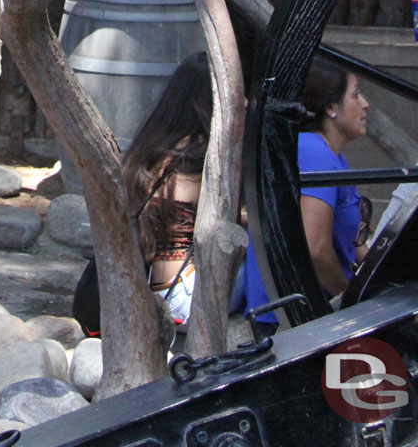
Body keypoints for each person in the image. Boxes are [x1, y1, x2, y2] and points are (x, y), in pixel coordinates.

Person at [243, 56, 371, 318]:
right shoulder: (313, 152)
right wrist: (351, 301)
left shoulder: (332, 155)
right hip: (297, 321)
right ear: (331, 107)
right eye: (356, 95)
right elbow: (316, 249)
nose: (365, 104)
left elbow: (353, 246)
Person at [123, 50, 212, 328]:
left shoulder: (153, 148)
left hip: (154, 284)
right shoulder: (199, 155)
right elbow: (219, 221)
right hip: (186, 292)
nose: (245, 102)